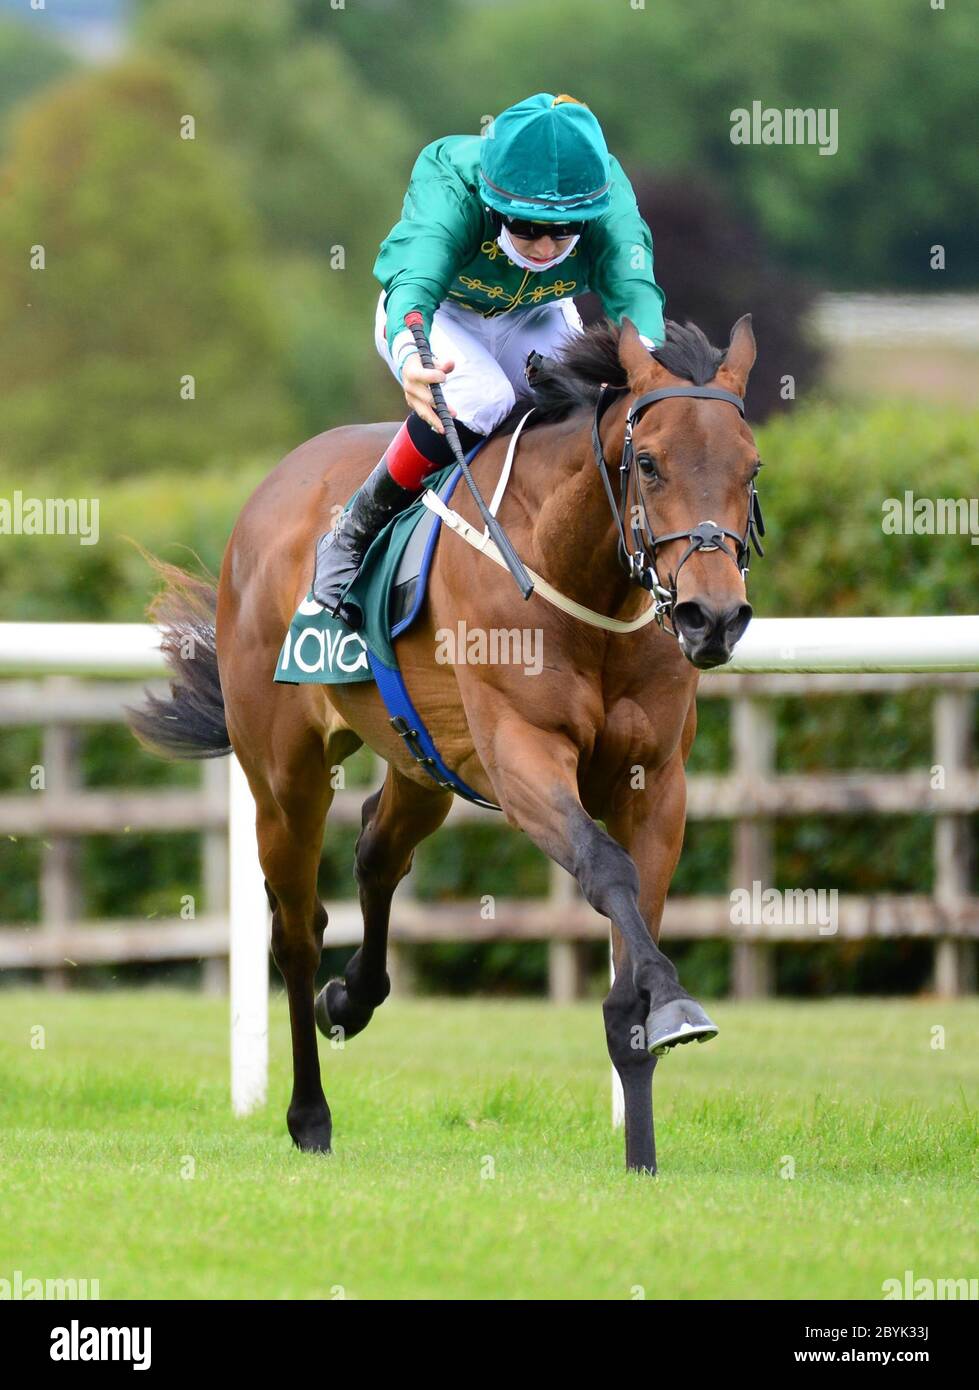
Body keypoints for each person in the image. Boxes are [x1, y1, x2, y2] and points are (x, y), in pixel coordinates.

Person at [312, 92, 667, 619]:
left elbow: (637, 300)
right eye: (525, 227)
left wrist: (656, 376)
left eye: (564, 229)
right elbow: (415, 279)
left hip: (536, 312)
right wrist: (412, 353)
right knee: (485, 400)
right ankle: (353, 530)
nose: (545, 247)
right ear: (493, 199)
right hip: (444, 313)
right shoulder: (453, 182)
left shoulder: (610, 197)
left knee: (590, 407)